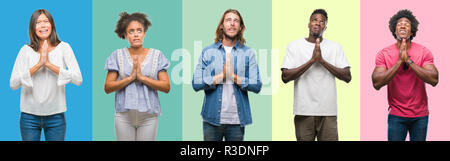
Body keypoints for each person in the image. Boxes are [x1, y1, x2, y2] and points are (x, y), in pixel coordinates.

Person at [10, 9, 83, 141]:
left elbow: (78, 79)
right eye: (38, 22)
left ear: (52, 25)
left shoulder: (64, 48)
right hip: (29, 117)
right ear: (33, 27)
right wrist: (38, 65)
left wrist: (49, 65)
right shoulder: (25, 50)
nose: (43, 25)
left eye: (46, 21)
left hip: (56, 117)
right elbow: (13, 83)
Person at [281, 9, 352, 141]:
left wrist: (322, 61)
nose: (317, 23)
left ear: (325, 26)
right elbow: (285, 77)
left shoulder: (335, 47)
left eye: (322, 21)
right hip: (304, 111)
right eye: (314, 20)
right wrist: (312, 60)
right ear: (308, 24)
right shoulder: (294, 46)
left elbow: (347, 76)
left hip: (328, 112)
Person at [192, 9, 262, 141]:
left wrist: (234, 77)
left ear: (240, 27)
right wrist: (221, 76)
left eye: (236, 21)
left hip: (237, 121)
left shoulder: (248, 53)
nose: (232, 24)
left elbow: (257, 85)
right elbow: (195, 83)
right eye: (228, 20)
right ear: (222, 26)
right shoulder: (208, 51)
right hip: (211, 119)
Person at [371, 9, 439, 141]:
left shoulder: (424, 52)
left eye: (407, 24)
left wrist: (409, 61)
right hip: (396, 115)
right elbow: (376, 83)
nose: (402, 25)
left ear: (412, 31)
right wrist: (399, 62)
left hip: (420, 115)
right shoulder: (383, 53)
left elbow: (434, 79)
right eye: (399, 24)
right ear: (394, 30)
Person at [104, 12, 170, 141]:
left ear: (144, 33)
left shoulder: (157, 55)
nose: (135, 34)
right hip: (124, 117)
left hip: (149, 117)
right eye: (131, 31)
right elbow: (108, 87)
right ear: (125, 35)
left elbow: (166, 87)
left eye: (139, 30)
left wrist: (142, 78)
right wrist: (130, 78)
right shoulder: (117, 55)